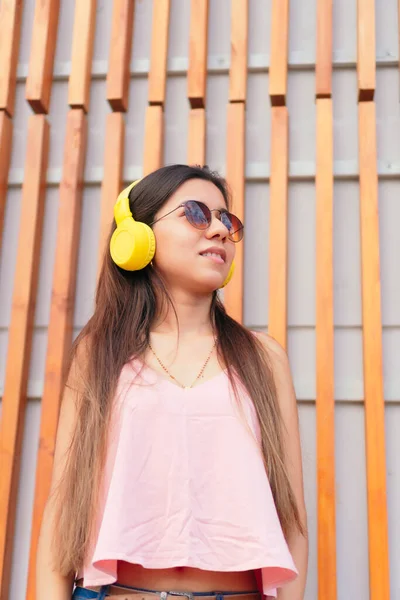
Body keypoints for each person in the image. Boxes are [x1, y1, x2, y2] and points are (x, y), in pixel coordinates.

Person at [36, 164, 308, 600]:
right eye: (197, 214)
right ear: (138, 239)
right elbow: (63, 508)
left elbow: (292, 524)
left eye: (226, 220)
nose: (219, 229)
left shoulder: (265, 358)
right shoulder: (99, 352)